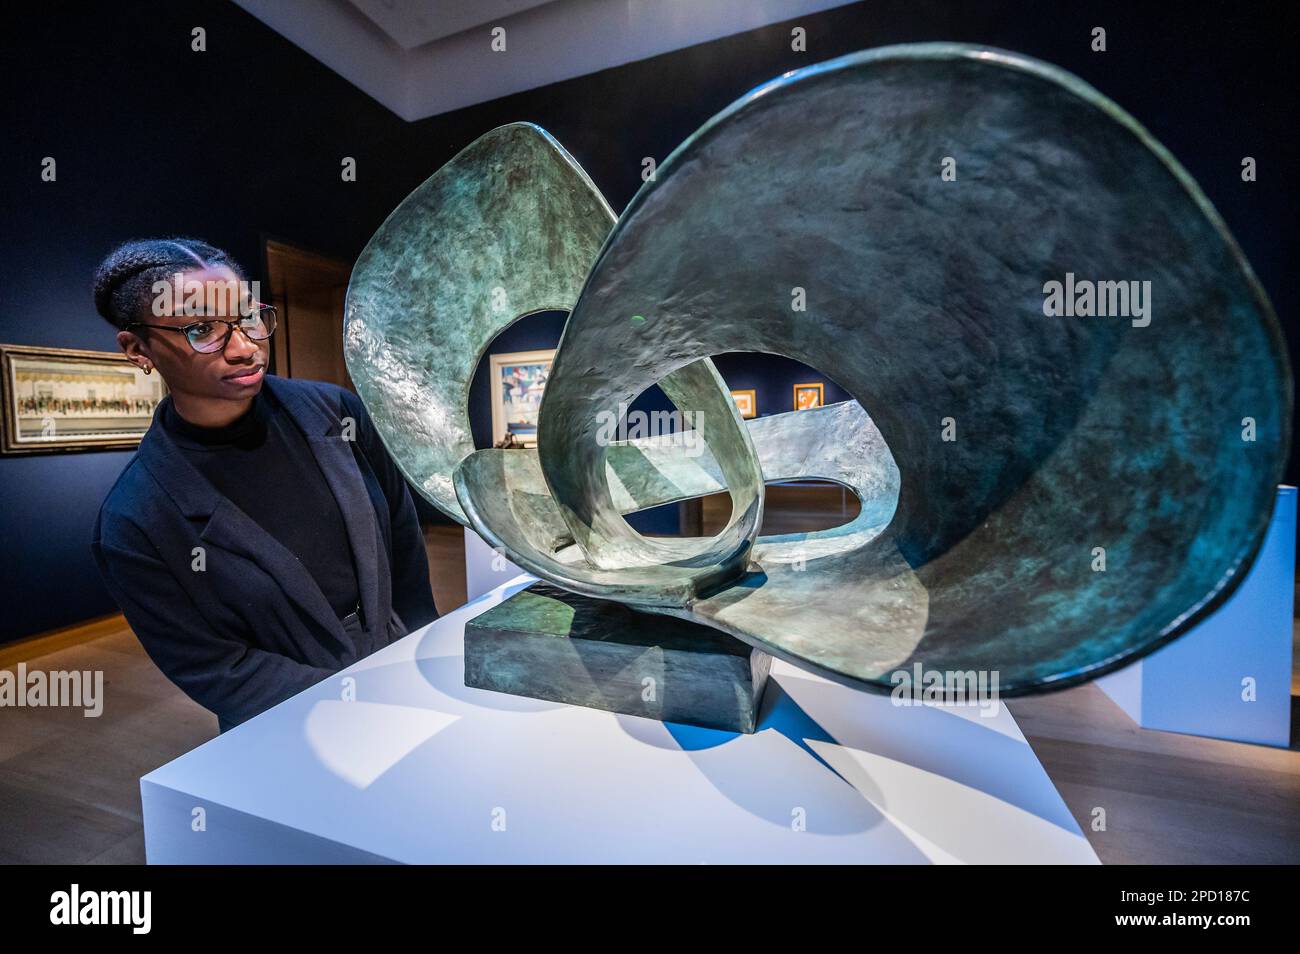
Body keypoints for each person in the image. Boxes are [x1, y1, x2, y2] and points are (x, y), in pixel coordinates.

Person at [90, 238, 439, 732]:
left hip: (403, 669)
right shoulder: (136, 517)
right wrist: (354, 703)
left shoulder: (334, 412)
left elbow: (402, 534)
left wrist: (420, 645)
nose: (244, 347)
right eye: (201, 329)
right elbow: (212, 664)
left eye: (249, 317)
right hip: (288, 723)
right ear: (137, 348)